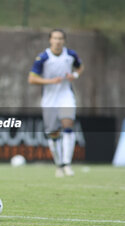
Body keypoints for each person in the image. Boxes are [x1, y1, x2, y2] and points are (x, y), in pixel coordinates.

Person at [28, 29, 84, 177]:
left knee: (68, 126)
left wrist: (75, 75)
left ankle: (67, 164)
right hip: (50, 99)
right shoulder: (43, 57)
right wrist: (50, 81)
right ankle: (59, 164)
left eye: (60, 38)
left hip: (66, 96)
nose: (58, 41)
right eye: (55, 38)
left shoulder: (71, 55)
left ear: (64, 40)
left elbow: (80, 67)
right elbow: (32, 79)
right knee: (53, 133)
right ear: (50, 40)